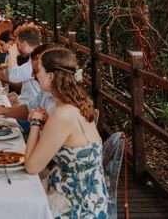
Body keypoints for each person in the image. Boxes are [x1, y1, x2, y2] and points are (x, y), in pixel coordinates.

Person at [24, 48, 108, 218]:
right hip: (90, 195)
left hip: (77, 204)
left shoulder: (62, 115)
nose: (35, 75)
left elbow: (32, 167)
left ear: (51, 76)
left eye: (38, 70)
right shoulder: (77, 105)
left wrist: (35, 122)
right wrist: (45, 123)